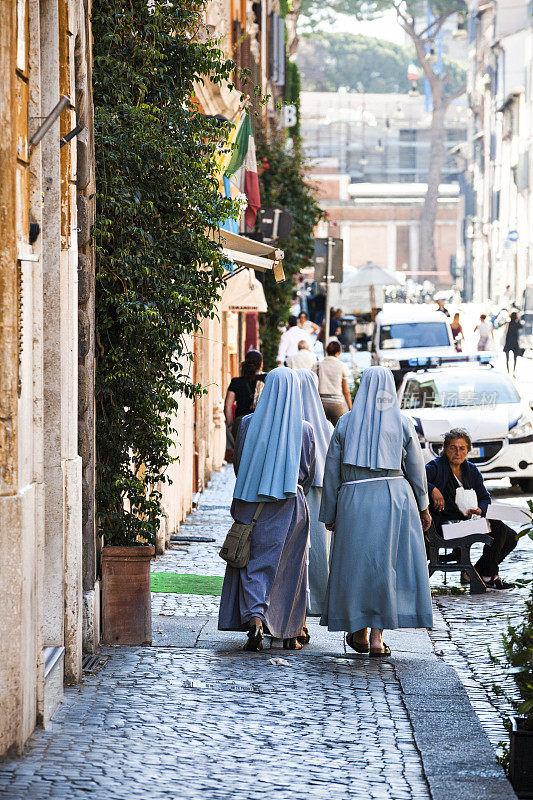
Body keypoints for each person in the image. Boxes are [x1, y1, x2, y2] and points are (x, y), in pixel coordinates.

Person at [319, 366, 433, 657]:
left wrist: (329, 512)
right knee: (387, 566)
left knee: (356, 567)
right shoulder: (403, 422)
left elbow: (331, 472)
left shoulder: (345, 423)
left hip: (354, 499)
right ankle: (377, 639)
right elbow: (417, 469)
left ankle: (358, 629)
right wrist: (423, 505)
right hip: (395, 499)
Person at [218, 367, 316, 651]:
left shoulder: (248, 423)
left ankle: (256, 621)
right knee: (289, 569)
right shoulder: (305, 429)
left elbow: (239, 466)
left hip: (253, 503)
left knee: (254, 564)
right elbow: (308, 473)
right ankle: (287, 633)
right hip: (290, 506)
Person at [426, 429, 517, 590]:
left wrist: (480, 510)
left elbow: (484, 497)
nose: (457, 452)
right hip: (444, 526)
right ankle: (489, 576)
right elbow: (416, 481)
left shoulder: (471, 470)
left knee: (511, 536)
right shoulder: (435, 467)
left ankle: (477, 572)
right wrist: (432, 489)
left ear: (468, 450)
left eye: (462, 448)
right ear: (445, 449)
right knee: (497, 527)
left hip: (466, 522)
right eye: (453, 448)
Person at [296, 369, 334, 616]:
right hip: (320, 495)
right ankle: (320, 601)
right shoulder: (326, 425)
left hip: (296, 495)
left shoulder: (290, 425)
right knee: (319, 551)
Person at [224, 350, 265, 442]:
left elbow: (228, 405)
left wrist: (230, 425)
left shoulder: (236, 382)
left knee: (240, 453)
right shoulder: (266, 379)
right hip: (261, 423)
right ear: (261, 364)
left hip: (241, 423)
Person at [314, 340, 352, 425]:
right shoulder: (342, 366)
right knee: (339, 431)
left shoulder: (318, 365)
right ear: (339, 352)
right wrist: (350, 408)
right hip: (337, 403)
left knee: (322, 432)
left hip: (321, 403)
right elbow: (345, 390)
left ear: (327, 351)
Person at [503, 311, 522, 375]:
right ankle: (513, 371)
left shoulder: (508, 323)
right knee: (515, 358)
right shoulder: (517, 324)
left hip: (508, 342)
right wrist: (518, 319)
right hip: (514, 342)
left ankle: (508, 371)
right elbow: (521, 327)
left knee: (507, 358)